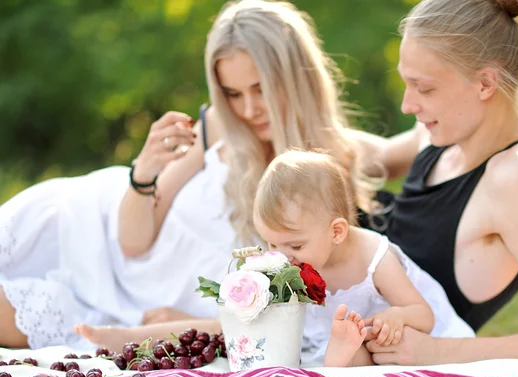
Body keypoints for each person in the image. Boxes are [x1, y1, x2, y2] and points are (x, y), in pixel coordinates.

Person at [0, 0, 386, 350]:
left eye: (261, 88)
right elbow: (133, 242)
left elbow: (301, 314)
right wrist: (144, 172)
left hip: (129, 311)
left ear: (296, 77)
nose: (249, 108)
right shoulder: (216, 126)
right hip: (85, 231)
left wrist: (189, 324)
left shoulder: (328, 167)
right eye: (233, 93)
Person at [76, 150, 475, 368]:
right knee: (232, 325)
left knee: (360, 349)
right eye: (272, 245)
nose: (282, 257)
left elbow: (423, 315)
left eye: (295, 247)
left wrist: (395, 317)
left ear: (336, 231)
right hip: (308, 336)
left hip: (371, 344)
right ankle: (125, 337)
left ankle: (336, 367)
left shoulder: (375, 257)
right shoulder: (288, 257)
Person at [363, 0, 518, 364]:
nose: (408, 105)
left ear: (485, 83)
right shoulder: (439, 139)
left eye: (424, 88)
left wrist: (436, 352)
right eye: (406, 84)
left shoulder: (516, 182)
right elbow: (370, 157)